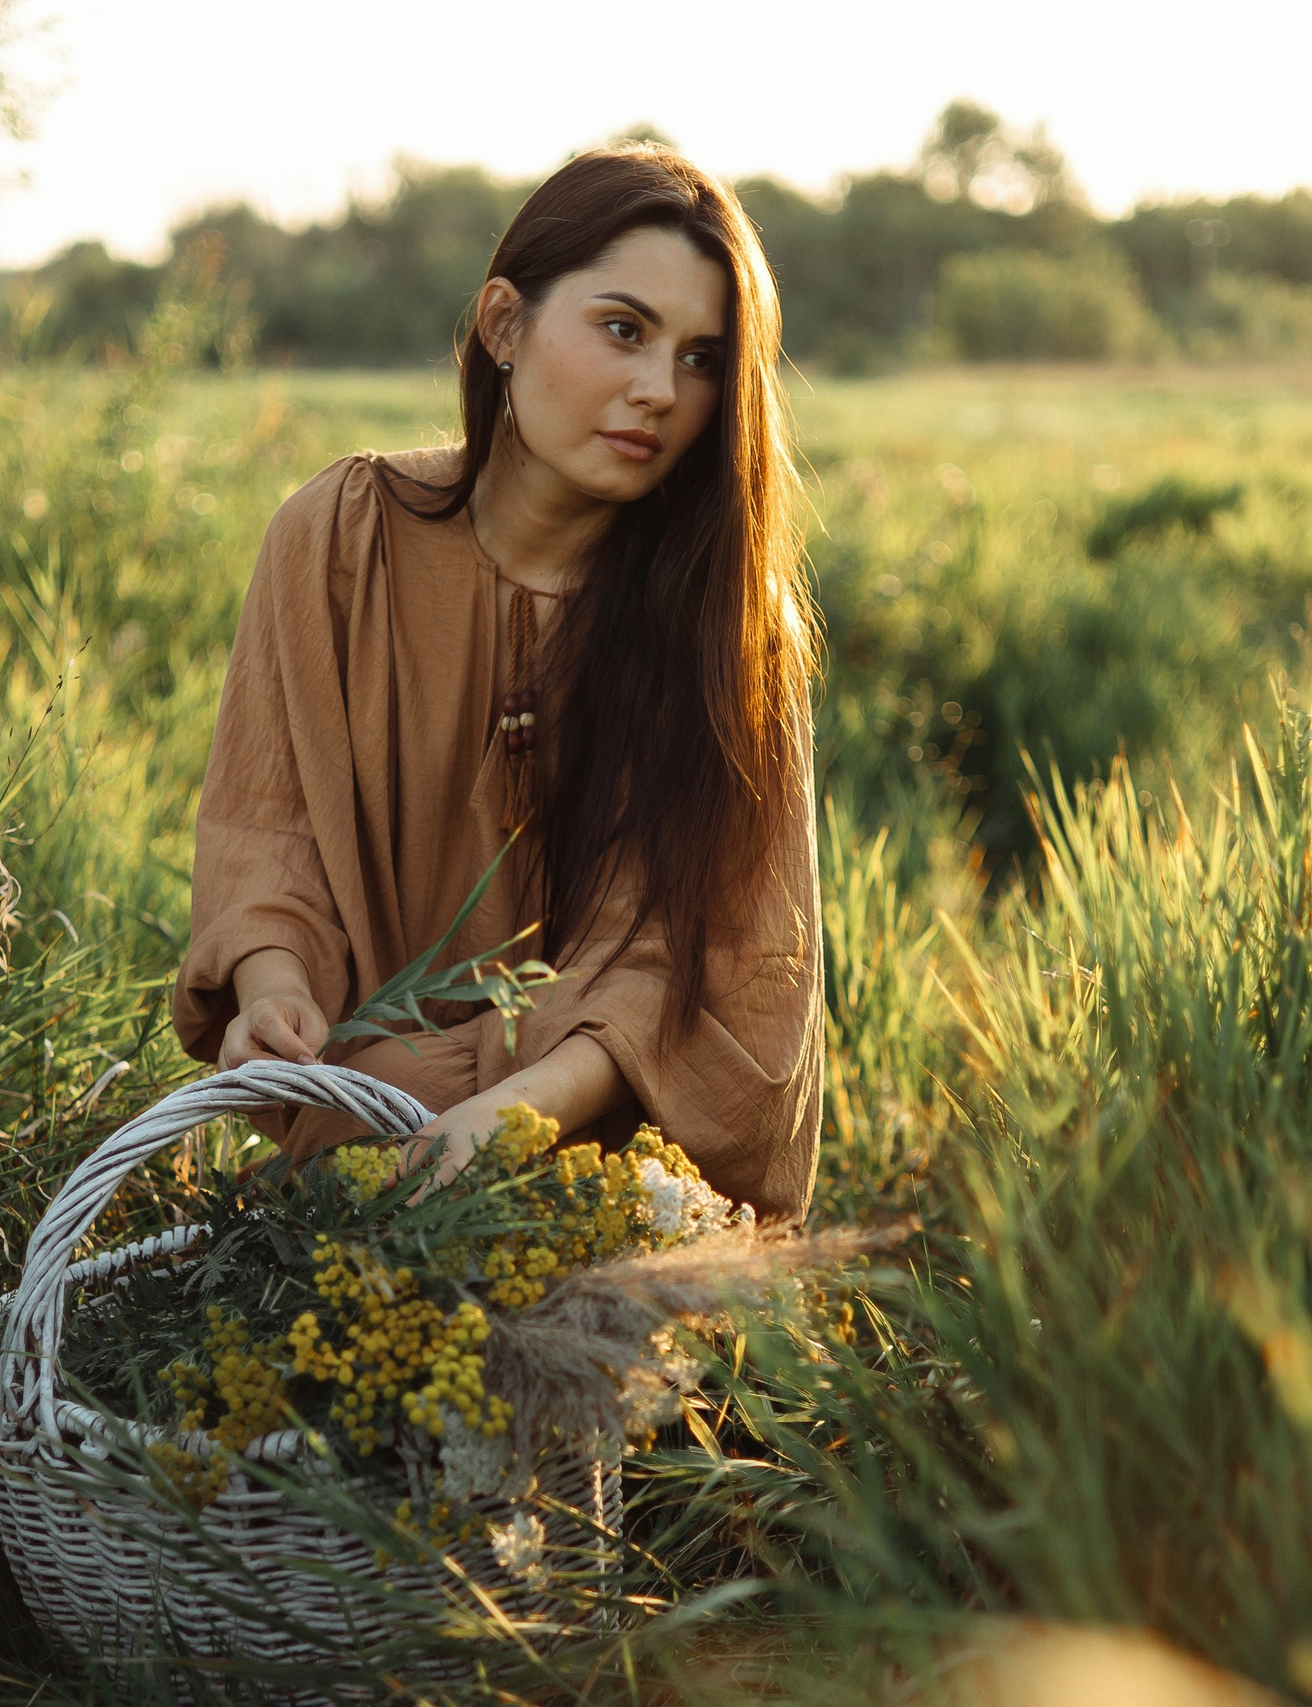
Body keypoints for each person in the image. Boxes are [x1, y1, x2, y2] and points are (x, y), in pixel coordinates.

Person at [170, 145, 823, 1222]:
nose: (659, 390)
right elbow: (267, 828)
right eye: (623, 329)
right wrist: (273, 989)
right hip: (358, 1117)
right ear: (504, 326)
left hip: (605, 1159)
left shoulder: (727, 632)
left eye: (703, 358)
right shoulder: (341, 539)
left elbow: (712, 963)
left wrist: (509, 1118)